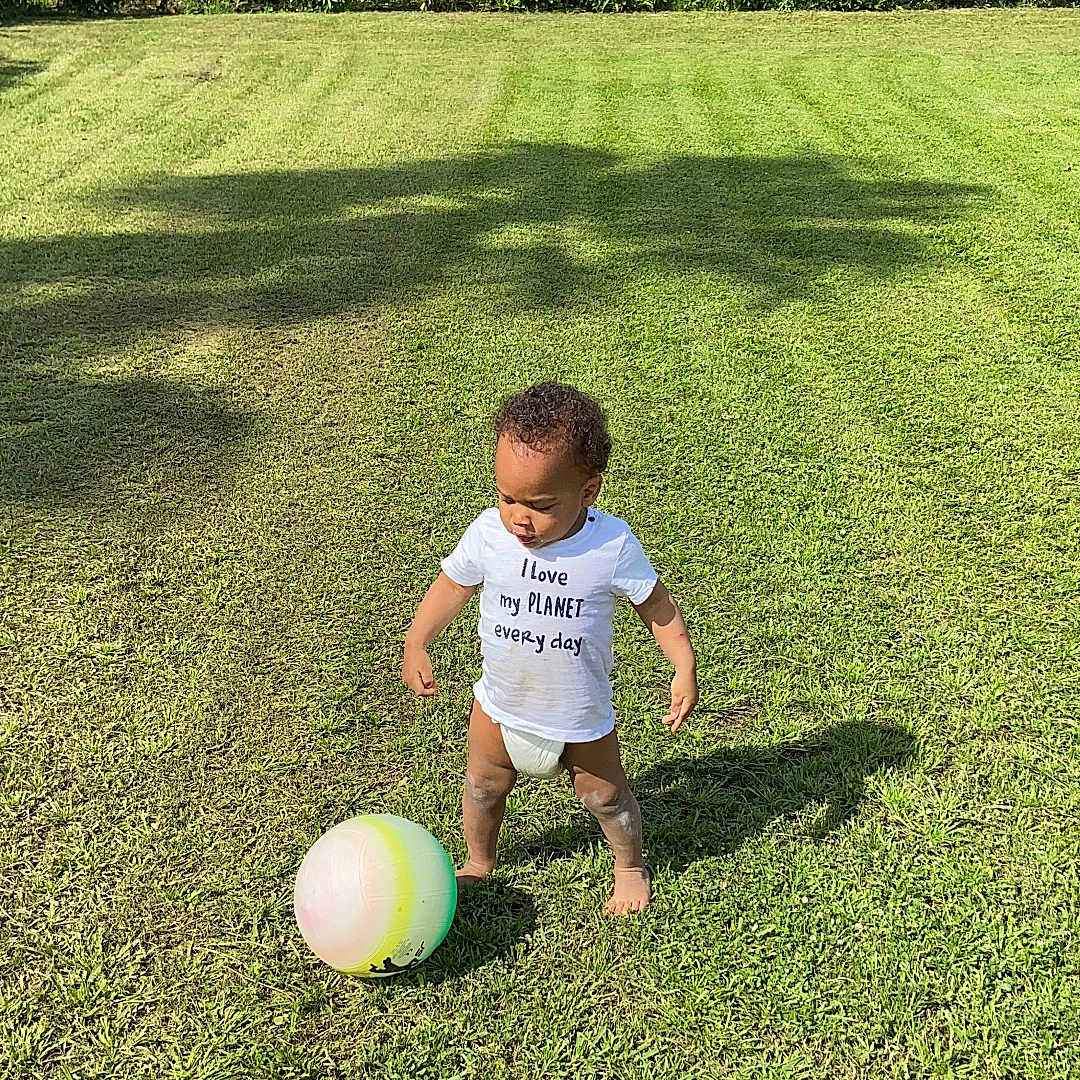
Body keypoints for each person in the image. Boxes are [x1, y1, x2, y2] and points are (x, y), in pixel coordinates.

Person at [402, 382, 698, 914]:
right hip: (500, 705)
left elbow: (656, 607)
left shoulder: (610, 546)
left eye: (539, 505)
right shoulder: (490, 534)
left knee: (606, 797)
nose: (519, 517)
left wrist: (682, 664)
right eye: (506, 496)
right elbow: (452, 586)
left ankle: (630, 867)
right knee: (482, 787)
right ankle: (479, 859)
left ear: (588, 492)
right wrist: (418, 640)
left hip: (579, 716)